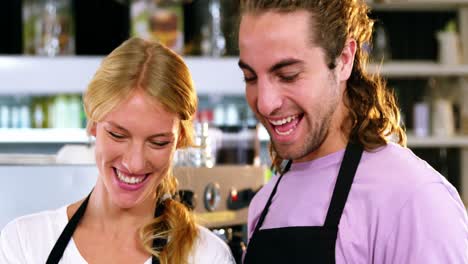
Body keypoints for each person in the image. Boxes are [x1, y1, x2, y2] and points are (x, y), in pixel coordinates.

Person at [237, 1, 468, 263]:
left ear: (344, 60)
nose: (265, 103)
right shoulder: (264, 203)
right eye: (250, 78)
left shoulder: (412, 199)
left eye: (288, 75)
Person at [0, 37, 235, 264]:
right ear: (92, 122)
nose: (135, 163)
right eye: (118, 135)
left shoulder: (205, 256)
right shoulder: (25, 243)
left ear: (180, 139)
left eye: (158, 142)